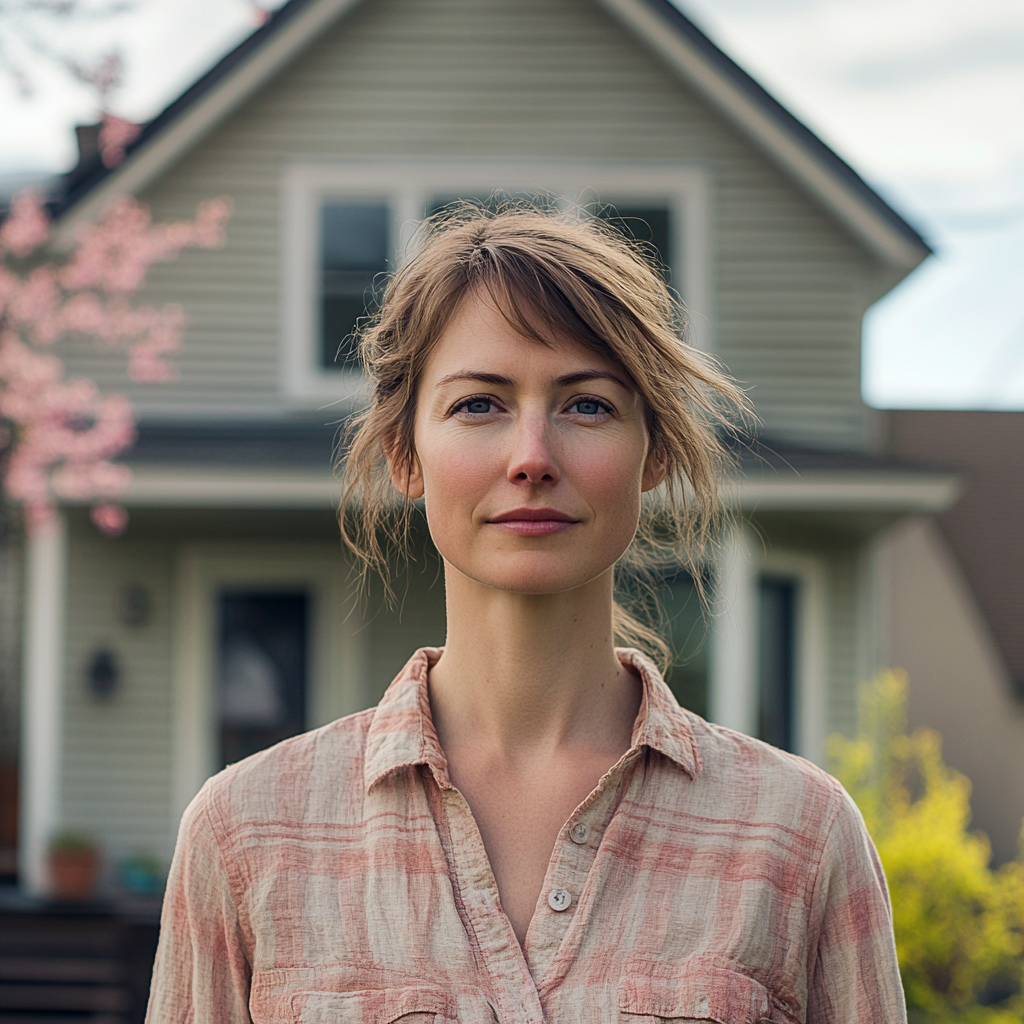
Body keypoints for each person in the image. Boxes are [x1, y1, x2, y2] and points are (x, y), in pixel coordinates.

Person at [146, 207, 906, 1023]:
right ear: (406, 454)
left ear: (653, 453)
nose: (533, 458)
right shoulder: (245, 835)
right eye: (479, 405)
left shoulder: (800, 836)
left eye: (587, 406)